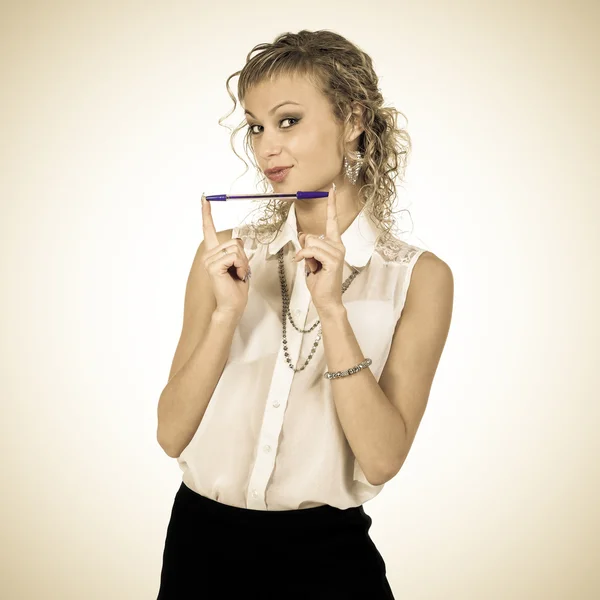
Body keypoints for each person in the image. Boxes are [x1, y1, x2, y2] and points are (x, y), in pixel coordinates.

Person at [156, 29, 454, 600]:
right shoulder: (226, 257)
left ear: (353, 119)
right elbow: (171, 434)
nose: (267, 145)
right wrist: (226, 317)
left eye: (288, 120)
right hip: (200, 549)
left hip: (325, 561)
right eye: (256, 126)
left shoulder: (418, 277)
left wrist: (333, 312)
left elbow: (384, 457)